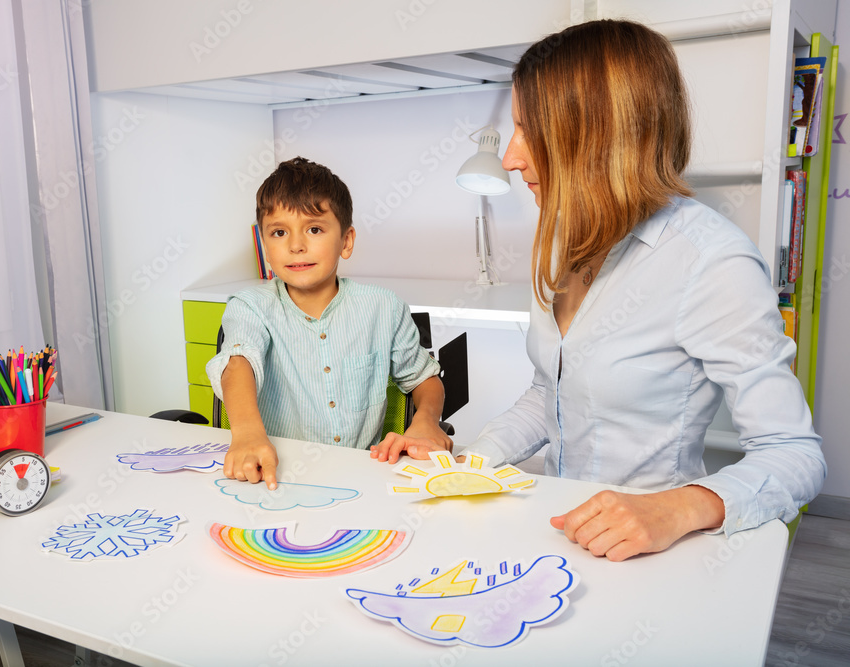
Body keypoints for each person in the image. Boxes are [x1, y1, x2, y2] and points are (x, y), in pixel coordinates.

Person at [372, 20, 826, 561]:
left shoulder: (711, 259)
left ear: (597, 134)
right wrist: (467, 463)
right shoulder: (567, 238)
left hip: (655, 551)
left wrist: (678, 508)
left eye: (527, 130)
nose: (512, 158)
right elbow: (551, 394)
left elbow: (794, 453)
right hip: (564, 526)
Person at [207, 157, 451, 490]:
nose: (296, 245)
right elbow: (238, 363)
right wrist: (248, 434)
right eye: (279, 232)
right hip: (274, 478)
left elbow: (425, 378)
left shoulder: (383, 307)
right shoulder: (250, 307)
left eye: (314, 229)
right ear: (265, 246)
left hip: (362, 479)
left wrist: (425, 422)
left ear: (346, 241)